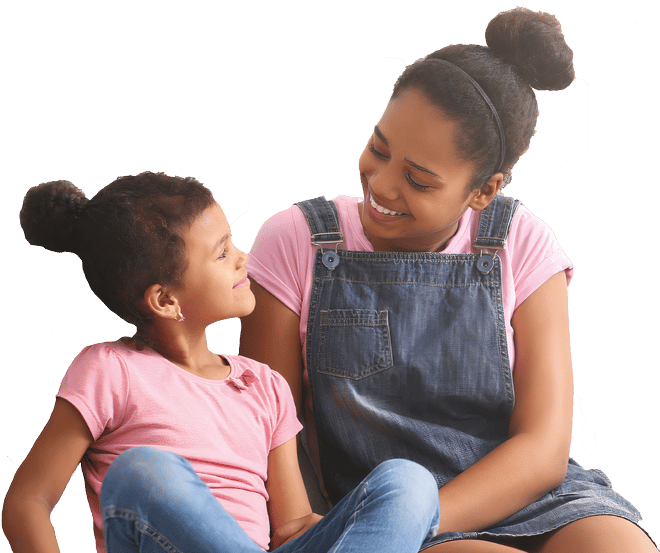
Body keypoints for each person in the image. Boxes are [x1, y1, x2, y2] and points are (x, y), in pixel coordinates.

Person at [239, 7, 658, 553]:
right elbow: (269, 430)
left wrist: (423, 519)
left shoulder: (521, 242)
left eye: (417, 179)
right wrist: (364, 527)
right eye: (379, 148)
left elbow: (544, 447)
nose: (381, 185)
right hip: (375, 507)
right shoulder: (299, 242)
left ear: (484, 191)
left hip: (525, 494)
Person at [1, 171, 441, 553]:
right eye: (221, 252)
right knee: (140, 471)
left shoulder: (264, 385)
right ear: (166, 300)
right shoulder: (110, 369)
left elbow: (291, 528)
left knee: (408, 482)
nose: (242, 258)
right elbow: (26, 502)